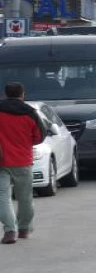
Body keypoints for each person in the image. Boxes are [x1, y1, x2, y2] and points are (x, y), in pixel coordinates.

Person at [0, 82, 46, 244]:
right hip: (23, 161)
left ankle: (10, 231)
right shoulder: (30, 113)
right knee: (25, 198)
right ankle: (24, 228)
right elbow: (39, 136)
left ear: (5, 94)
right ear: (22, 94)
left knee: (2, 197)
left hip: (1, 162)